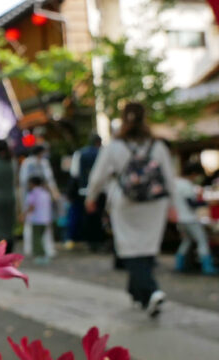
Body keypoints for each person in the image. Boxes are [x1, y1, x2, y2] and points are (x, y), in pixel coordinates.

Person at [86, 102, 178, 318]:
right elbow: (169, 178)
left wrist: (90, 198)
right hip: (155, 203)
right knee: (146, 247)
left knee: (130, 249)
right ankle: (137, 293)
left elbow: (98, 176)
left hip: (125, 201)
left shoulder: (115, 146)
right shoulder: (157, 146)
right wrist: (173, 206)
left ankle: (151, 290)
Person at [174, 163, 219, 275]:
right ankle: (207, 266)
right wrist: (207, 202)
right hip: (189, 218)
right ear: (194, 174)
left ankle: (179, 264)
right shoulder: (186, 185)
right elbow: (192, 204)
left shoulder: (176, 183)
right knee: (202, 240)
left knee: (187, 240)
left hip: (179, 218)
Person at [19, 145, 59, 257]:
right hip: (32, 196)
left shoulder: (44, 163)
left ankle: (46, 247)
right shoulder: (28, 163)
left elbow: (49, 179)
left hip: (42, 198)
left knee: (44, 224)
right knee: (31, 224)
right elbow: (24, 181)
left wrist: (53, 191)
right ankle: (31, 247)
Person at [69, 134, 105, 252]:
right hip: (101, 189)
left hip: (84, 189)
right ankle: (99, 241)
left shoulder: (80, 153)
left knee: (87, 216)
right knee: (99, 217)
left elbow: (75, 173)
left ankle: (90, 242)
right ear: (99, 142)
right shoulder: (102, 153)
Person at [24, 176, 52, 264]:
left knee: (36, 238)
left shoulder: (33, 193)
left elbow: (31, 206)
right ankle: (42, 254)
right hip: (45, 219)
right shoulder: (46, 193)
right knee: (40, 237)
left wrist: (23, 215)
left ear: (32, 184)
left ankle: (41, 255)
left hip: (37, 219)